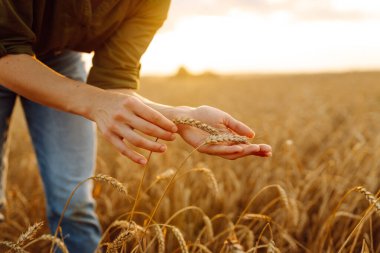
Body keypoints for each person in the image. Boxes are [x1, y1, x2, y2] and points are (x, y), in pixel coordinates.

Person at [0, 0, 272, 252]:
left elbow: (113, 86)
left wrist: (179, 116)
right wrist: (93, 101)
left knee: (74, 203)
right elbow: (6, 53)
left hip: (61, 59)